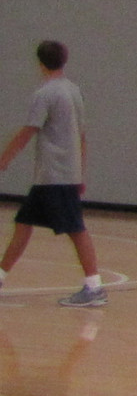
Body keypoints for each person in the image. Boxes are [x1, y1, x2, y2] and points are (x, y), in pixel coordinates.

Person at [0, 40, 105, 308]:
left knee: (76, 229)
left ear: (39, 63)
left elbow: (28, 131)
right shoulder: (74, 91)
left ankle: (94, 288)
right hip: (56, 176)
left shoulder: (45, 94)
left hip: (55, 175)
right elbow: (82, 136)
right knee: (23, 224)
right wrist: (81, 172)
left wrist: (4, 159)